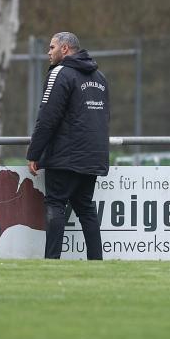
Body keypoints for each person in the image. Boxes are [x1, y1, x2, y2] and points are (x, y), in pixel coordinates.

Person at [27, 32, 110, 260]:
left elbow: (47, 117)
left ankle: (52, 261)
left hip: (65, 156)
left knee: (55, 204)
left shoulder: (60, 73)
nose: (48, 52)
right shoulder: (100, 77)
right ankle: (97, 262)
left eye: (52, 47)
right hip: (93, 156)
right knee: (86, 208)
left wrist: (34, 152)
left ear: (65, 49)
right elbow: (103, 119)